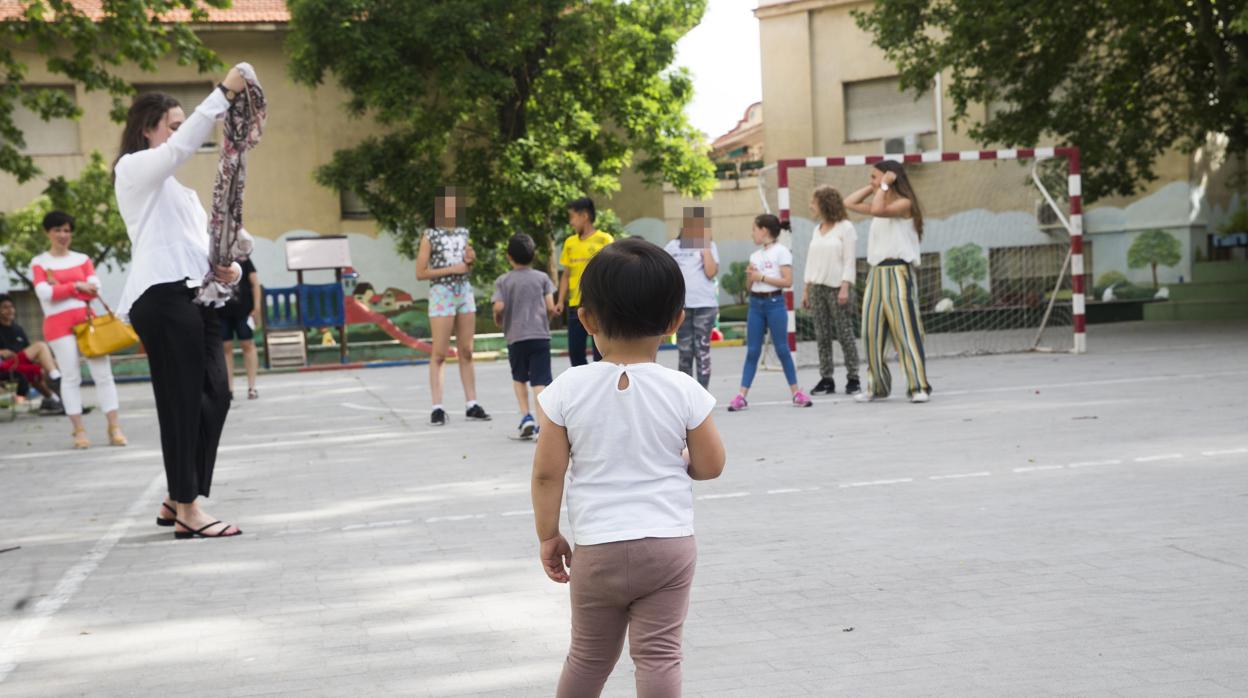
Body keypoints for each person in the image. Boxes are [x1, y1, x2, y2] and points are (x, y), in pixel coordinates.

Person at [531, 237, 726, 697]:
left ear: (586, 319)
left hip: (597, 549)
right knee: (659, 656)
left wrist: (548, 535)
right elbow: (711, 464)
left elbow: (547, 473)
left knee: (588, 657)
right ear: (676, 321)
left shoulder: (567, 389)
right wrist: (683, 461)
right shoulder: (683, 389)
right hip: (667, 547)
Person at [114, 68, 250, 539]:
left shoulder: (185, 195)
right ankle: (189, 510)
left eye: (180, 124)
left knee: (218, 395)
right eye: (172, 125)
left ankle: (177, 497)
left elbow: (212, 247)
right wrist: (222, 95)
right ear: (146, 129)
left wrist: (233, 267)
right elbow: (178, 151)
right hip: (161, 297)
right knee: (182, 402)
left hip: (199, 296)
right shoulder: (132, 170)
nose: (180, 132)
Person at [31, 211, 126, 448]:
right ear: (47, 233)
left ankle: (114, 427)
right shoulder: (40, 262)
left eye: (67, 230)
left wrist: (61, 286)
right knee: (71, 376)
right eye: (57, 230)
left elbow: (95, 289)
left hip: (88, 322)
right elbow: (44, 293)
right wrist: (77, 285)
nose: (63, 235)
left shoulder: (82, 259)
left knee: (103, 374)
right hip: (58, 326)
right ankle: (79, 430)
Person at [844, 160, 932, 403]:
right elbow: (848, 203)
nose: (871, 181)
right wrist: (874, 185)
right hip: (876, 273)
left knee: (906, 331)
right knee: (871, 332)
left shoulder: (904, 204)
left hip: (898, 271)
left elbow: (878, 210)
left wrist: (883, 186)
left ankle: (918, 387)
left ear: (891, 178)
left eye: (874, 176)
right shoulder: (879, 202)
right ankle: (877, 387)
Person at [415, 187, 490, 426]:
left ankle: (472, 403)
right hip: (442, 293)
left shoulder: (463, 232)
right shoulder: (430, 235)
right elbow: (420, 272)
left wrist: (470, 260)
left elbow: (467, 266)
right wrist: (452, 269)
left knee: (466, 350)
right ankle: (437, 407)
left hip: (464, 292)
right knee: (439, 353)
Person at [727, 214, 813, 412]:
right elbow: (749, 286)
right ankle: (741, 395)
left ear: (764, 230)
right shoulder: (755, 256)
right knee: (753, 351)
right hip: (756, 304)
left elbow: (787, 281)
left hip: (775, 303)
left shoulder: (781, 252)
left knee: (782, 349)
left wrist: (762, 277)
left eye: (754, 229)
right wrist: (750, 276)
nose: (752, 233)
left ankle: (796, 393)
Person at [492, 233, 557, 439]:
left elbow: (499, 306)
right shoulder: (542, 278)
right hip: (540, 336)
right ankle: (541, 425)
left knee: (519, 378)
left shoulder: (503, 281)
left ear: (509, 257)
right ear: (533, 255)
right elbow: (550, 306)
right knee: (540, 381)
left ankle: (526, 416)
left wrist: (498, 317)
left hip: (516, 337)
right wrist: (546, 319)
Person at [802, 186, 862, 395]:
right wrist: (807, 289)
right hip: (817, 288)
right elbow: (811, 262)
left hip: (838, 288)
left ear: (825, 204)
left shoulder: (846, 228)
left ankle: (853, 378)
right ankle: (826, 379)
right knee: (822, 335)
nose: (811, 206)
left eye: (814, 202)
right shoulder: (816, 230)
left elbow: (849, 260)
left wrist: (845, 286)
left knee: (845, 333)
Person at [664, 206, 720, 389]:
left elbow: (711, 272)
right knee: (685, 352)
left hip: (705, 306)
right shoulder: (673, 246)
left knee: (702, 351)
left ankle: (703, 393)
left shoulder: (710, 246)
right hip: (682, 307)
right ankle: (686, 394)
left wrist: (705, 247)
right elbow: (665, 272)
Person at [554, 197, 613, 366]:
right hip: (575, 305)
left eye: (572, 217)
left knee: (600, 354)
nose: (571, 222)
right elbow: (566, 275)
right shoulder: (570, 243)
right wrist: (560, 301)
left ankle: (601, 381)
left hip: (599, 304)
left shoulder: (605, 240)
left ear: (584, 216)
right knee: (575, 353)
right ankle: (584, 382)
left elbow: (612, 272)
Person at [0, 293, 65, 414]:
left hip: (20, 362)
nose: (10, 310)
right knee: (40, 346)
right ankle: (55, 376)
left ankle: (55, 399)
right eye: (5, 307)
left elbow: (27, 349)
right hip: (6, 365)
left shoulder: (17, 329)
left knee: (51, 364)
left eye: (11, 307)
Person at [220, 245, 261, 400]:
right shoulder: (216, 259)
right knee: (225, 347)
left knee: (247, 344)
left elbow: (255, 284)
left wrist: (256, 307)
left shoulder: (244, 259)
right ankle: (229, 389)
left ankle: (252, 387)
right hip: (221, 311)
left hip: (244, 311)